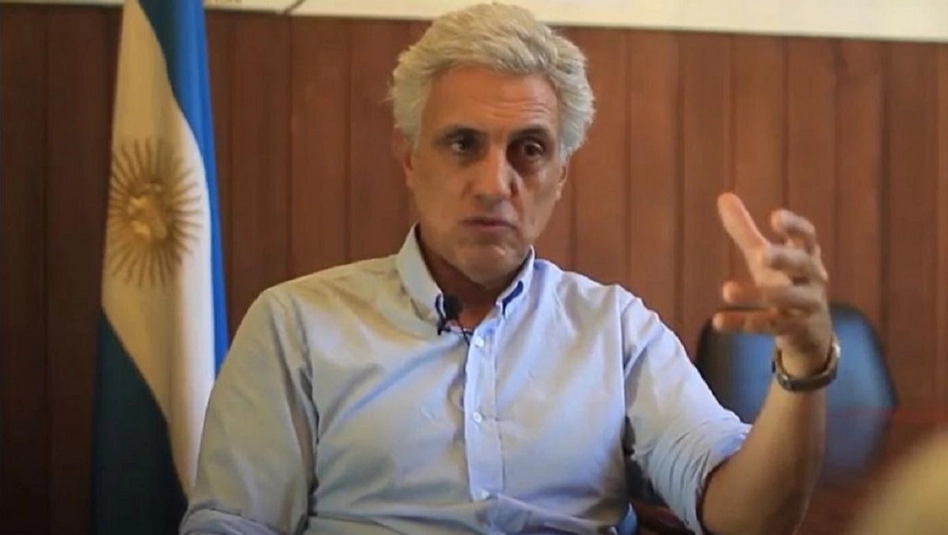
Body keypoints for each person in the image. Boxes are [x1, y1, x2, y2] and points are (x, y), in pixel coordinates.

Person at [180, 3, 838, 534]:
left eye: (529, 149)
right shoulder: (296, 325)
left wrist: (805, 365)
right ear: (410, 159)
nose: (496, 184)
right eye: (463, 144)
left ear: (560, 174)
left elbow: (748, 515)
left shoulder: (615, 330)